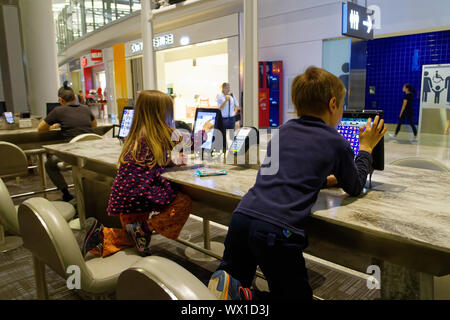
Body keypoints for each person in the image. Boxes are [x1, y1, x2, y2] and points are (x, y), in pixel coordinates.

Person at [207, 66, 387, 300]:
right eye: (341, 106)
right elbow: (354, 185)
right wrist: (365, 148)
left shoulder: (282, 132)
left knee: (232, 282)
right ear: (333, 104)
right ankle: (247, 299)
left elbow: (288, 173)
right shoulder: (336, 141)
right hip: (276, 232)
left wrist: (323, 181)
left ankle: (232, 290)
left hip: (242, 217)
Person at [79, 90, 209, 258]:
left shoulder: (133, 136)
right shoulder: (164, 134)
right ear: (164, 113)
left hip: (124, 197)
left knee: (136, 238)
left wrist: (169, 159)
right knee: (182, 203)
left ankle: (99, 238)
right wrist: (205, 129)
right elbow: (193, 142)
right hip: (143, 195)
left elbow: (151, 160)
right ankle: (134, 230)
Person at [38, 83, 97, 202]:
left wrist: (54, 126)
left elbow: (41, 128)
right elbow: (94, 124)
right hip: (91, 151)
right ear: (75, 98)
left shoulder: (58, 111)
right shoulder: (85, 108)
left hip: (73, 153)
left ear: (60, 99)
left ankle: (66, 194)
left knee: (50, 164)